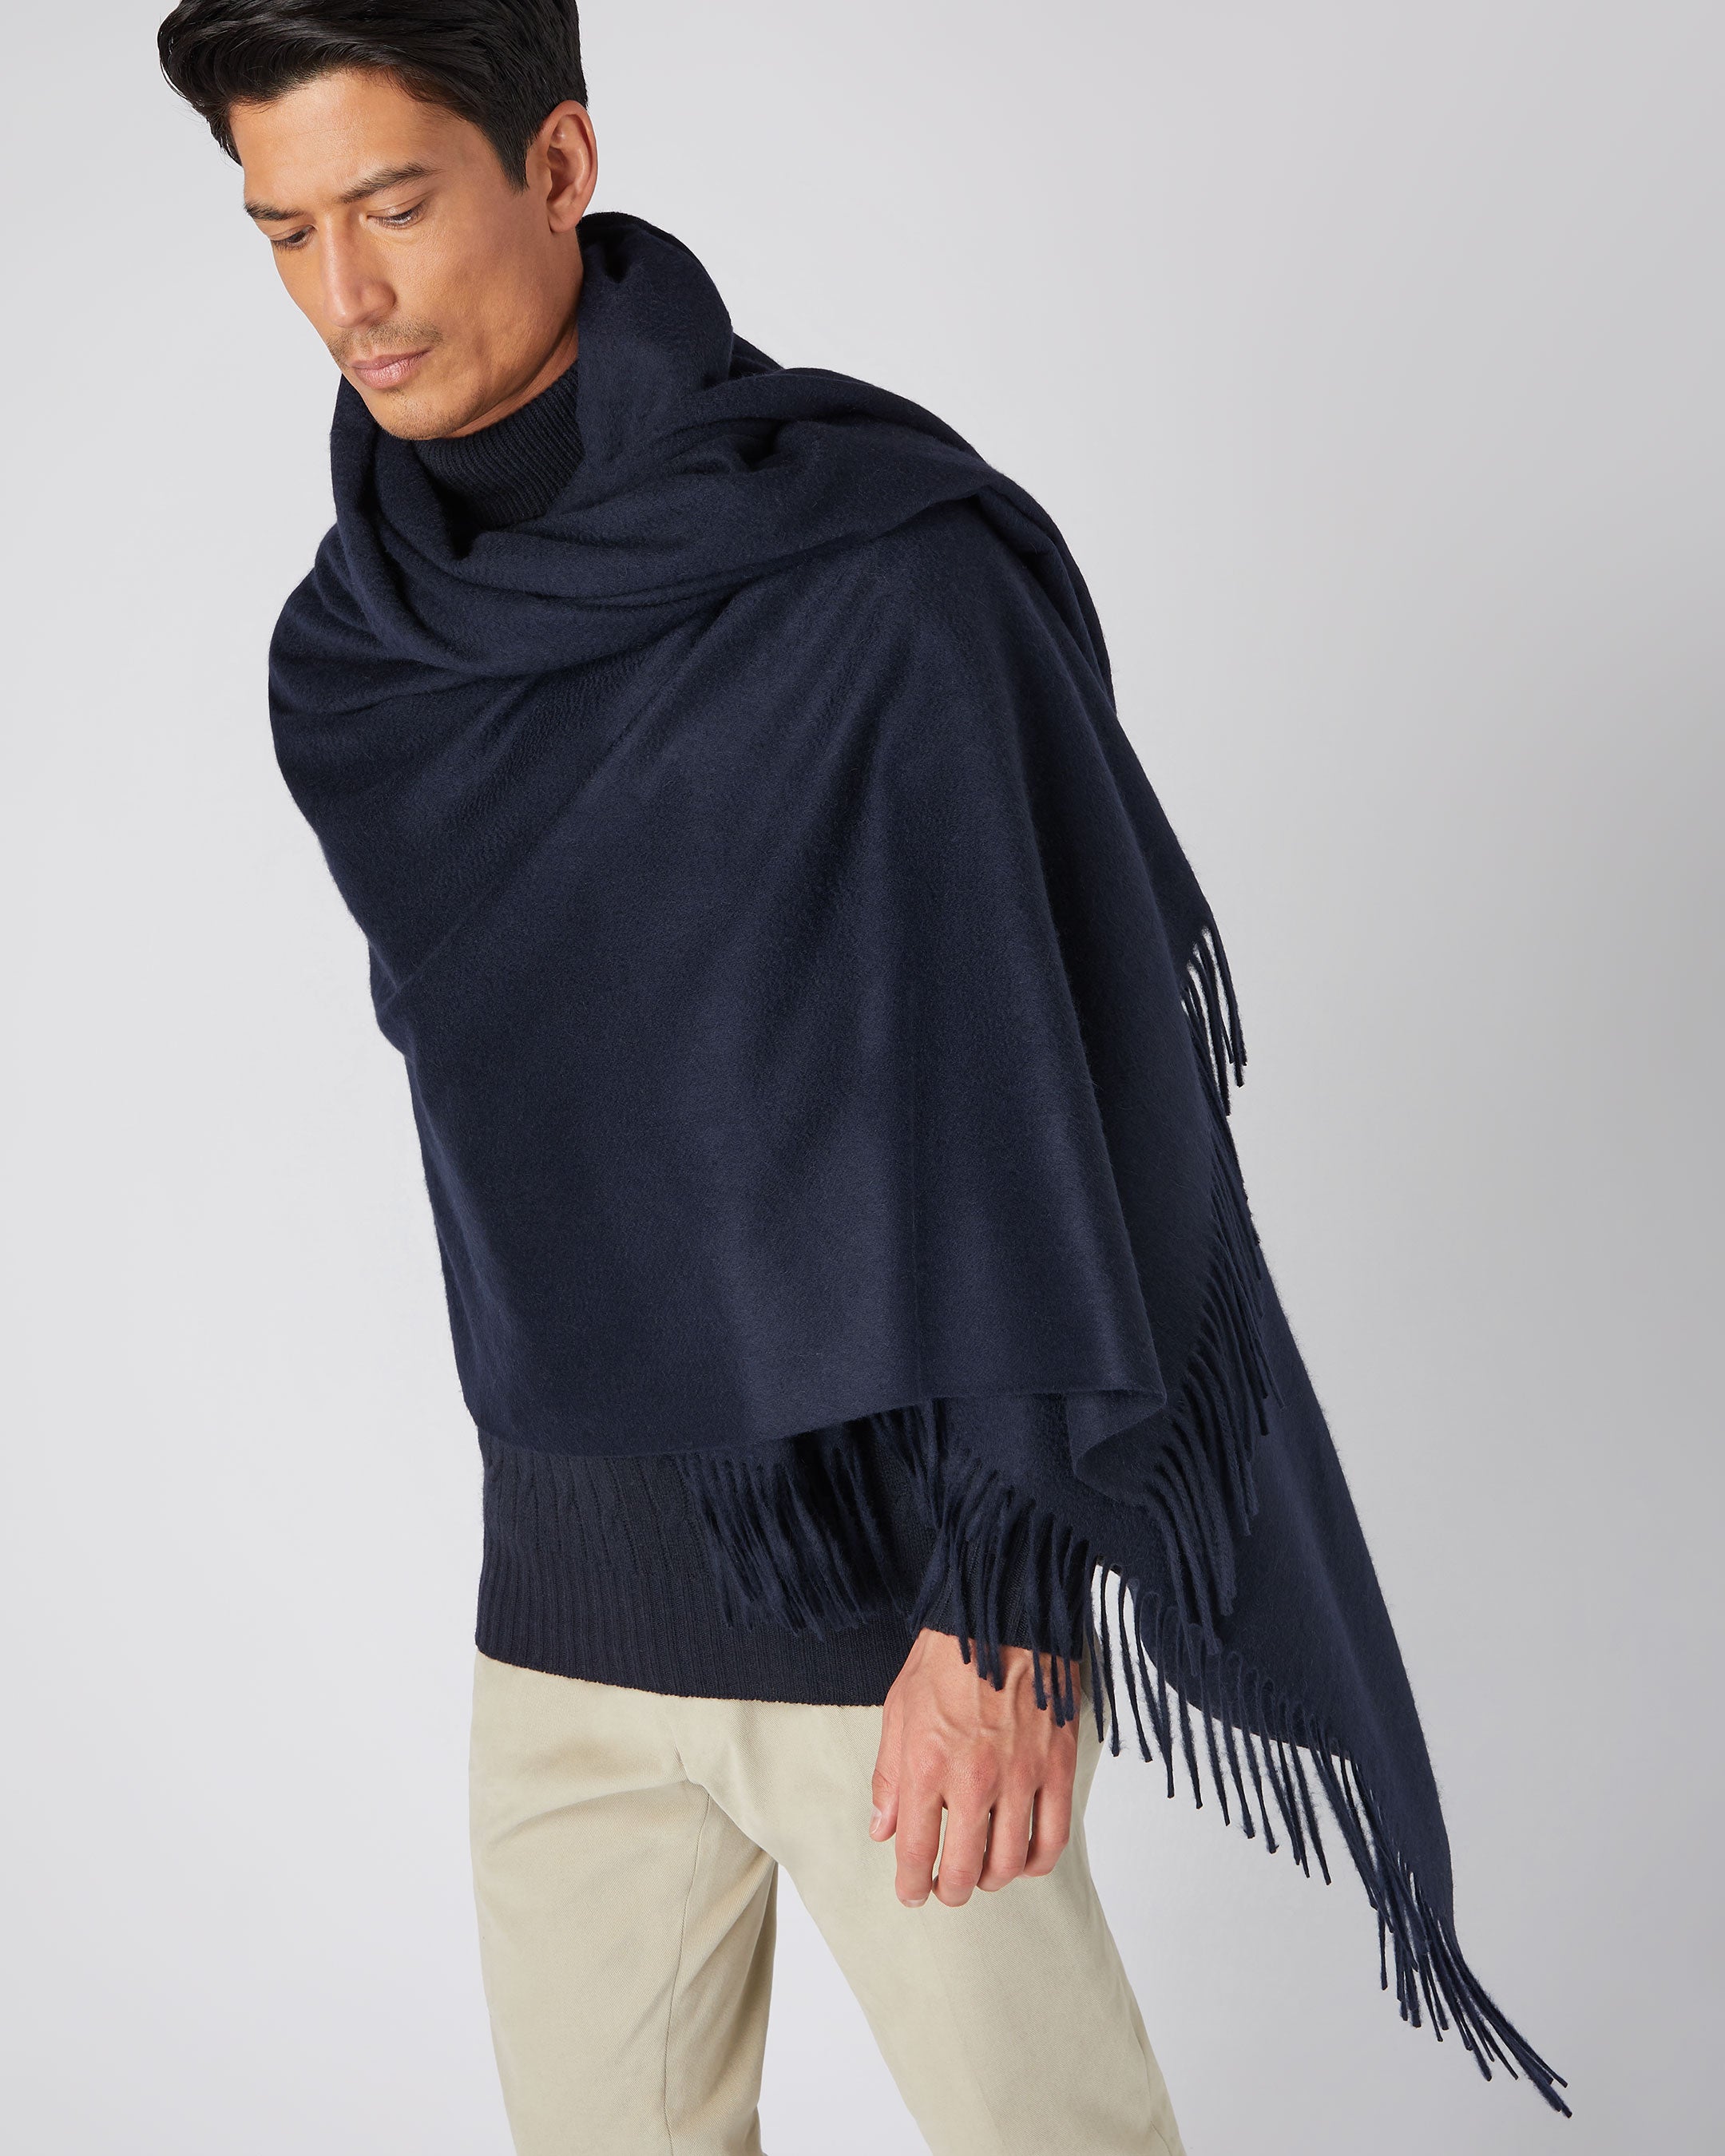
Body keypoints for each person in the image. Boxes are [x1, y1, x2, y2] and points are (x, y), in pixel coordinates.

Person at [156, 5, 1566, 2150]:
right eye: (284, 232)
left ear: (559, 166)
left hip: (907, 1620)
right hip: (560, 1615)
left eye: (395, 204)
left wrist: (1002, 1594)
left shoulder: (878, 575)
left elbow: (1047, 1086)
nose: (345, 293)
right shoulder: (360, 662)